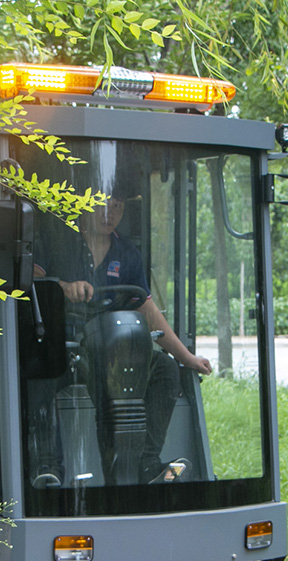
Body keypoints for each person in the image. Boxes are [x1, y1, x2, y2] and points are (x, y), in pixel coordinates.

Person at [28, 192, 212, 487]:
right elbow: (28, 278)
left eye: (118, 206)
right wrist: (62, 286)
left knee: (165, 369)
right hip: (64, 348)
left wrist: (187, 358)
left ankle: (145, 464)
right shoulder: (58, 239)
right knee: (39, 371)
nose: (110, 212)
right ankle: (48, 469)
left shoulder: (127, 253)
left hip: (113, 354)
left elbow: (146, 309)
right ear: (86, 202)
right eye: (104, 204)